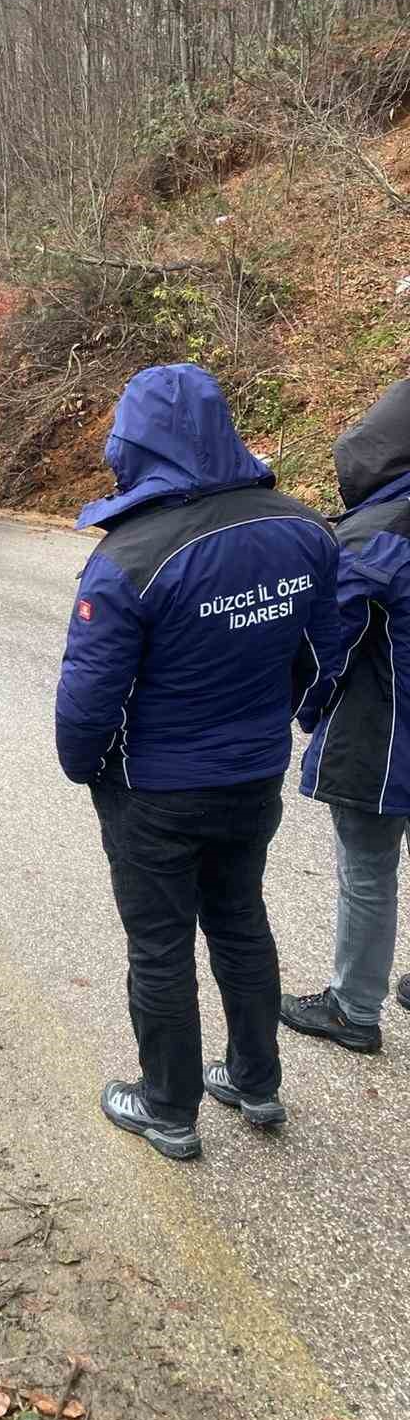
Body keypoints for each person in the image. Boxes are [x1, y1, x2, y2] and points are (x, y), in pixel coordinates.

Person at [55, 364, 340, 1161]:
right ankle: (255, 1081)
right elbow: (323, 655)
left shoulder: (129, 557)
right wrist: (276, 722)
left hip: (155, 791)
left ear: (133, 445)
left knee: (160, 945)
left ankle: (167, 1108)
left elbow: (87, 701)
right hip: (252, 778)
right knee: (241, 922)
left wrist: (88, 769)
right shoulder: (305, 529)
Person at [282, 379, 410, 1052]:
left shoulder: (374, 536)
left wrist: (305, 714)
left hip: (382, 738)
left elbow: (326, 647)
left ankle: (353, 1009)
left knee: (366, 869)